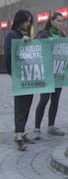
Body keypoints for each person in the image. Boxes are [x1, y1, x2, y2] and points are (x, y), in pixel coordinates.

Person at [4, 9, 36, 151]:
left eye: (30, 21)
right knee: (20, 105)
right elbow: (8, 53)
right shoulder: (12, 34)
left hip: (29, 74)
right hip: (19, 75)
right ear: (20, 20)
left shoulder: (28, 34)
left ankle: (22, 132)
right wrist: (12, 73)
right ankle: (18, 135)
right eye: (27, 21)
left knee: (28, 102)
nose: (28, 24)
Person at [33, 12, 66, 139]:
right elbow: (34, 48)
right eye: (58, 21)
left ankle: (51, 126)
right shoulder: (42, 34)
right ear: (51, 21)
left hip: (58, 72)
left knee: (55, 99)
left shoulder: (62, 35)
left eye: (62, 21)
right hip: (45, 72)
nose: (60, 23)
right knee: (44, 99)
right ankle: (37, 128)